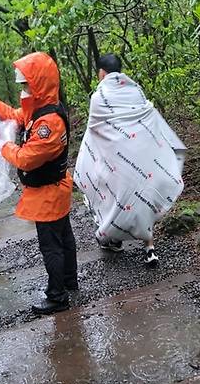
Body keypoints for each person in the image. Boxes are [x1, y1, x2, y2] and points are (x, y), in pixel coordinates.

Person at [0, 52, 78, 316]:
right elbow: (16, 115)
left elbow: (27, 159)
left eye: (26, 85)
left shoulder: (48, 122)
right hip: (53, 188)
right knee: (64, 238)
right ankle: (69, 281)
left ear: (38, 84)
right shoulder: (42, 109)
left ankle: (57, 295)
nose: (24, 90)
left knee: (52, 245)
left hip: (49, 193)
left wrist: (3, 146)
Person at [75, 53, 186, 268]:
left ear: (101, 72)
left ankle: (112, 238)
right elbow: (146, 118)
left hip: (114, 160)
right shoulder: (136, 90)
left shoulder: (98, 97)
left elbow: (95, 131)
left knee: (112, 197)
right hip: (140, 154)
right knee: (142, 197)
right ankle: (149, 248)